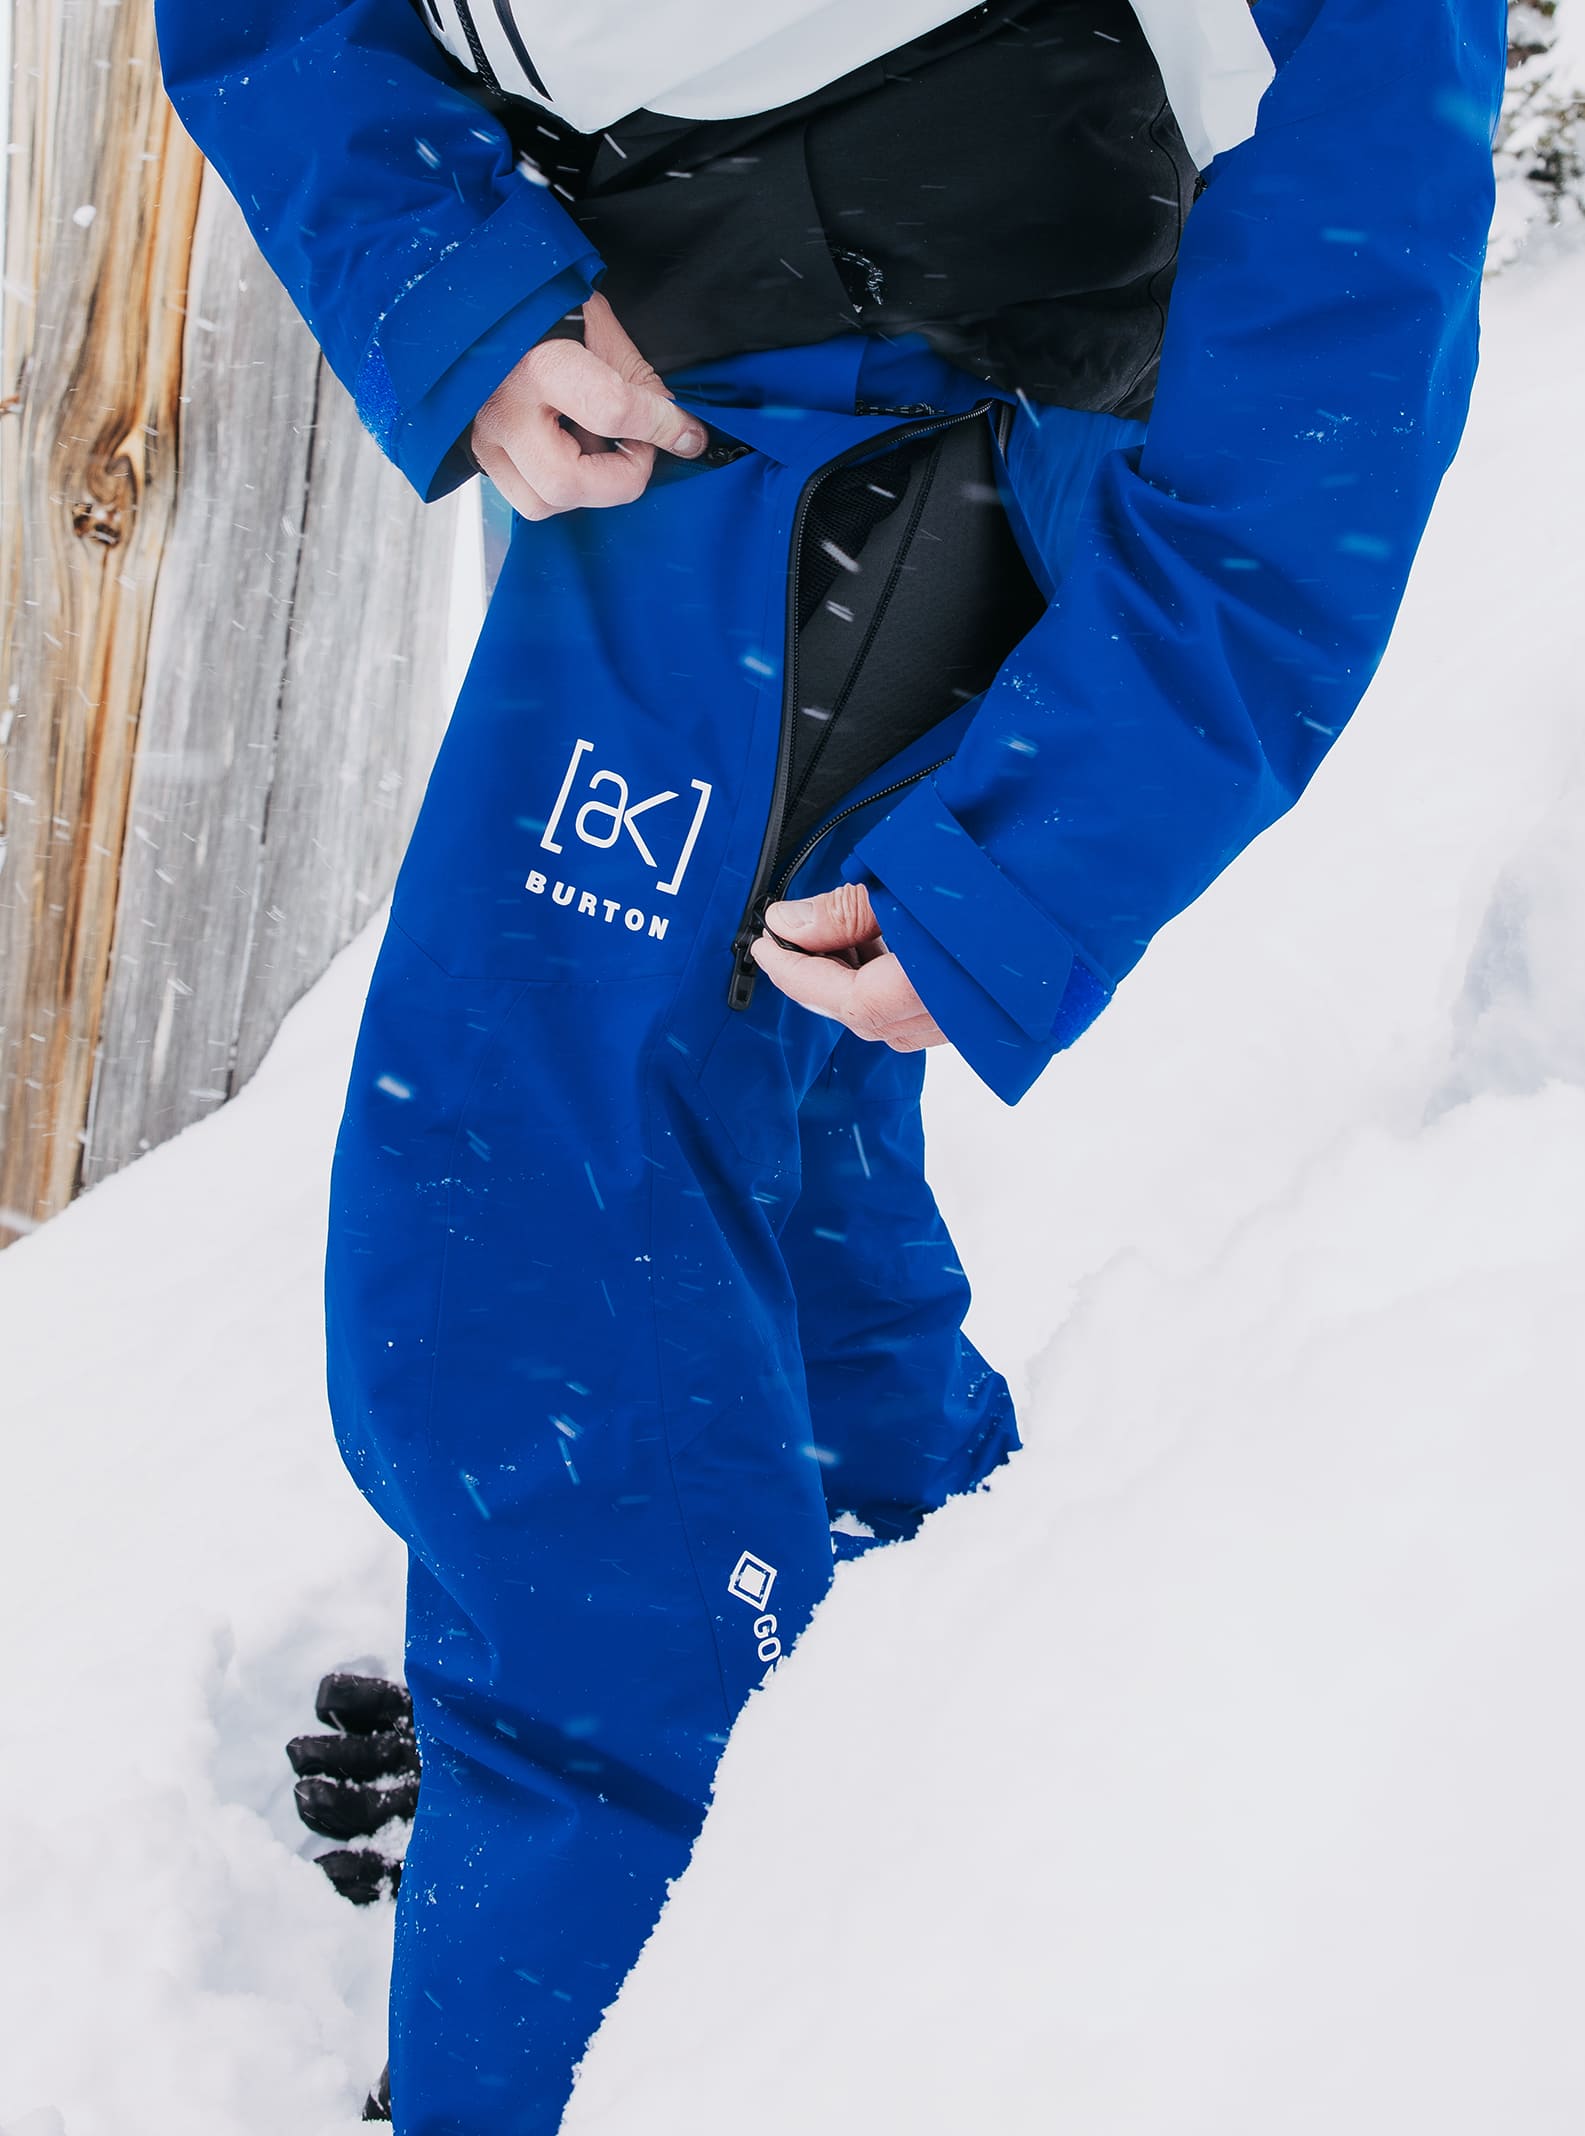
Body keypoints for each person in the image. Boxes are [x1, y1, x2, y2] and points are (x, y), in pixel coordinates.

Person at [152, 0, 1505, 2129]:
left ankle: (594, 1998)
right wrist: (434, 266)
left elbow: (1375, 160)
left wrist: (1072, 818)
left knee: (533, 1288)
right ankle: (846, 1819)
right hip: (664, 352)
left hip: (889, 373)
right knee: (766, 1212)